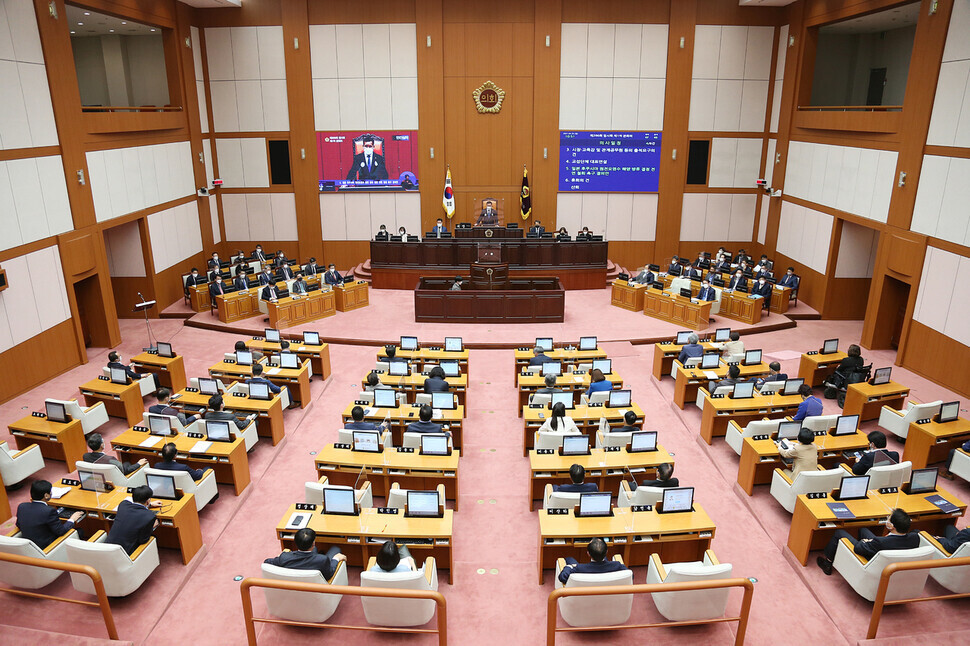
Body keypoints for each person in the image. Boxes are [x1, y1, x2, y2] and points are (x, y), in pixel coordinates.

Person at [817, 508, 918, 575]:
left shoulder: (880, 542)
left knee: (839, 533)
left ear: (892, 526)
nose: (887, 519)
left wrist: (865, 542)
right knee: (863, 530)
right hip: (887, 557)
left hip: (872, 559)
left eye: (888, 518)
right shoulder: (914, 537)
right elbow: (916, 532)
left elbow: (858, 548)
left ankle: (827, 563)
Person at [16, 480, 84, 549]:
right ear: (46, 495)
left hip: (29, 546)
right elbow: (61, 531)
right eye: (50, 491)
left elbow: (18, 525)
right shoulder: (48, 511)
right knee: (79, 531)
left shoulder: (22, 506)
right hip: (48, 547)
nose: (51, 493)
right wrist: (72, 519)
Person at [265, 527, 346, 579]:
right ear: (313, 543)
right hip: (318, 585)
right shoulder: (322, 560)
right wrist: (336, 559)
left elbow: (267, 562)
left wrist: (279, 557)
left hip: (295, 585)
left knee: (315, 550)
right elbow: (329, 574)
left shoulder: (284, 557)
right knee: (336, 549)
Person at [105, 485, 161, 555]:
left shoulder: (123, 505)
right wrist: (151, 526)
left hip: (107, 549)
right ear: (148, 501)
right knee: (153, 537)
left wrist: (149, 505)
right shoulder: (149, 516)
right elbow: (143, 540)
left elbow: (132, 504)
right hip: (126, 554)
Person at [558, 537, 627, 584]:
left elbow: (563, 577)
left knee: (569, 559)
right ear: (607, 552)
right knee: (604, 560)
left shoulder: (579, 568)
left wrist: (570, 566)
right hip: (609, 595)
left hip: (584, 597)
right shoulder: (616, 565)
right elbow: (629, 575)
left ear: (588, 553)